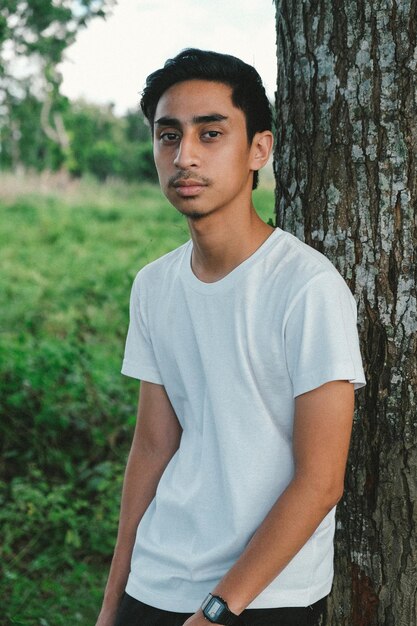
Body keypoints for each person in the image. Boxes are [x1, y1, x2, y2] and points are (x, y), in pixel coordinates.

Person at [95, 48, 366, 626]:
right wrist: (113, 602)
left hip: (264, 596)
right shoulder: (155, 285)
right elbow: (152, 449)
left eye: (210, 133)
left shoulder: (307, 288)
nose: (184, 156)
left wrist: (218, 610)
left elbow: (320, 482)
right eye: (168, 136)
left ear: (258, 150)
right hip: (158, 581)